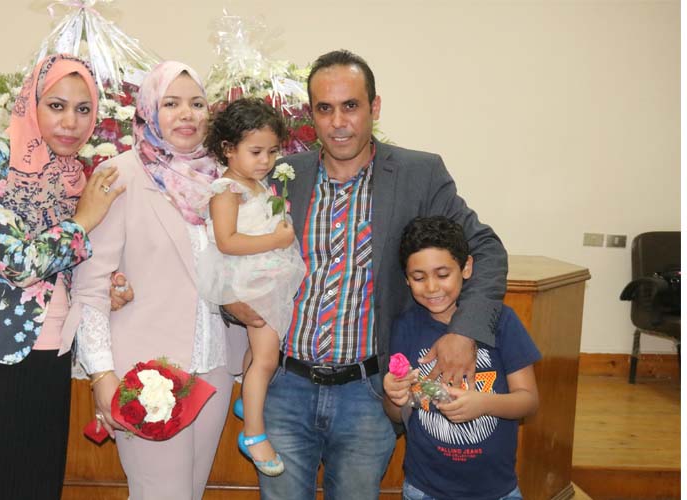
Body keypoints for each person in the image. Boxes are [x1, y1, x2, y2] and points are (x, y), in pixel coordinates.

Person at [223, 49, 509, 499]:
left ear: (374, 107)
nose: (338, 122)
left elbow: (487, 250)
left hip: (370, 394)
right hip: (283, 386)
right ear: (311, 114)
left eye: (351, 106)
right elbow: (229, 251)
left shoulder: (418, 174)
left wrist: (464, 332)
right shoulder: (281, 175)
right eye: (325, 108)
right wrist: (231, 302)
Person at [0, 54, 123, 500]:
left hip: (50, 353)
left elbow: (63, 263)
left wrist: (109, 283)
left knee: (35, 484)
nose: (71, 122)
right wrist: (83, 221)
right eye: (56, 106)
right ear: (31, 103)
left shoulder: (73, 175)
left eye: (83, 109)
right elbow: (18, 262)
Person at [66, 60, 246, 500]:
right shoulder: (120, 176)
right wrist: (102, 377)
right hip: (147, 371)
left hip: (215, 364)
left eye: (197, 104)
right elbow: (91, 287)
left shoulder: (224, 178)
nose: (187, 114)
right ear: (148, 110)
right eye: (171, 103)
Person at [383, 216, 540, 500]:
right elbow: (397, 413)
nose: (432, 287)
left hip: (497, 490)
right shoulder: (405, 327)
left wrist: (484, 403)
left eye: (443, 274)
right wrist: (396, 396)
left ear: (466, 267)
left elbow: (528, 401)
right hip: (424, 490)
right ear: (406, 278)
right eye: (419, 277)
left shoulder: (502, 322)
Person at [198, 98, 306, 476]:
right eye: (256, 152)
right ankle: (254, 435)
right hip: (248, 281)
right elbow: (227, 241)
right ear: (228, 148)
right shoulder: (227, 189)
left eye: (272, 152)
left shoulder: (255, 184)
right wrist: (276, 240)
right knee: (266, 359)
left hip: (264, 276)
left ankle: (249, 401)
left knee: (258, 354)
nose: (266, 161)